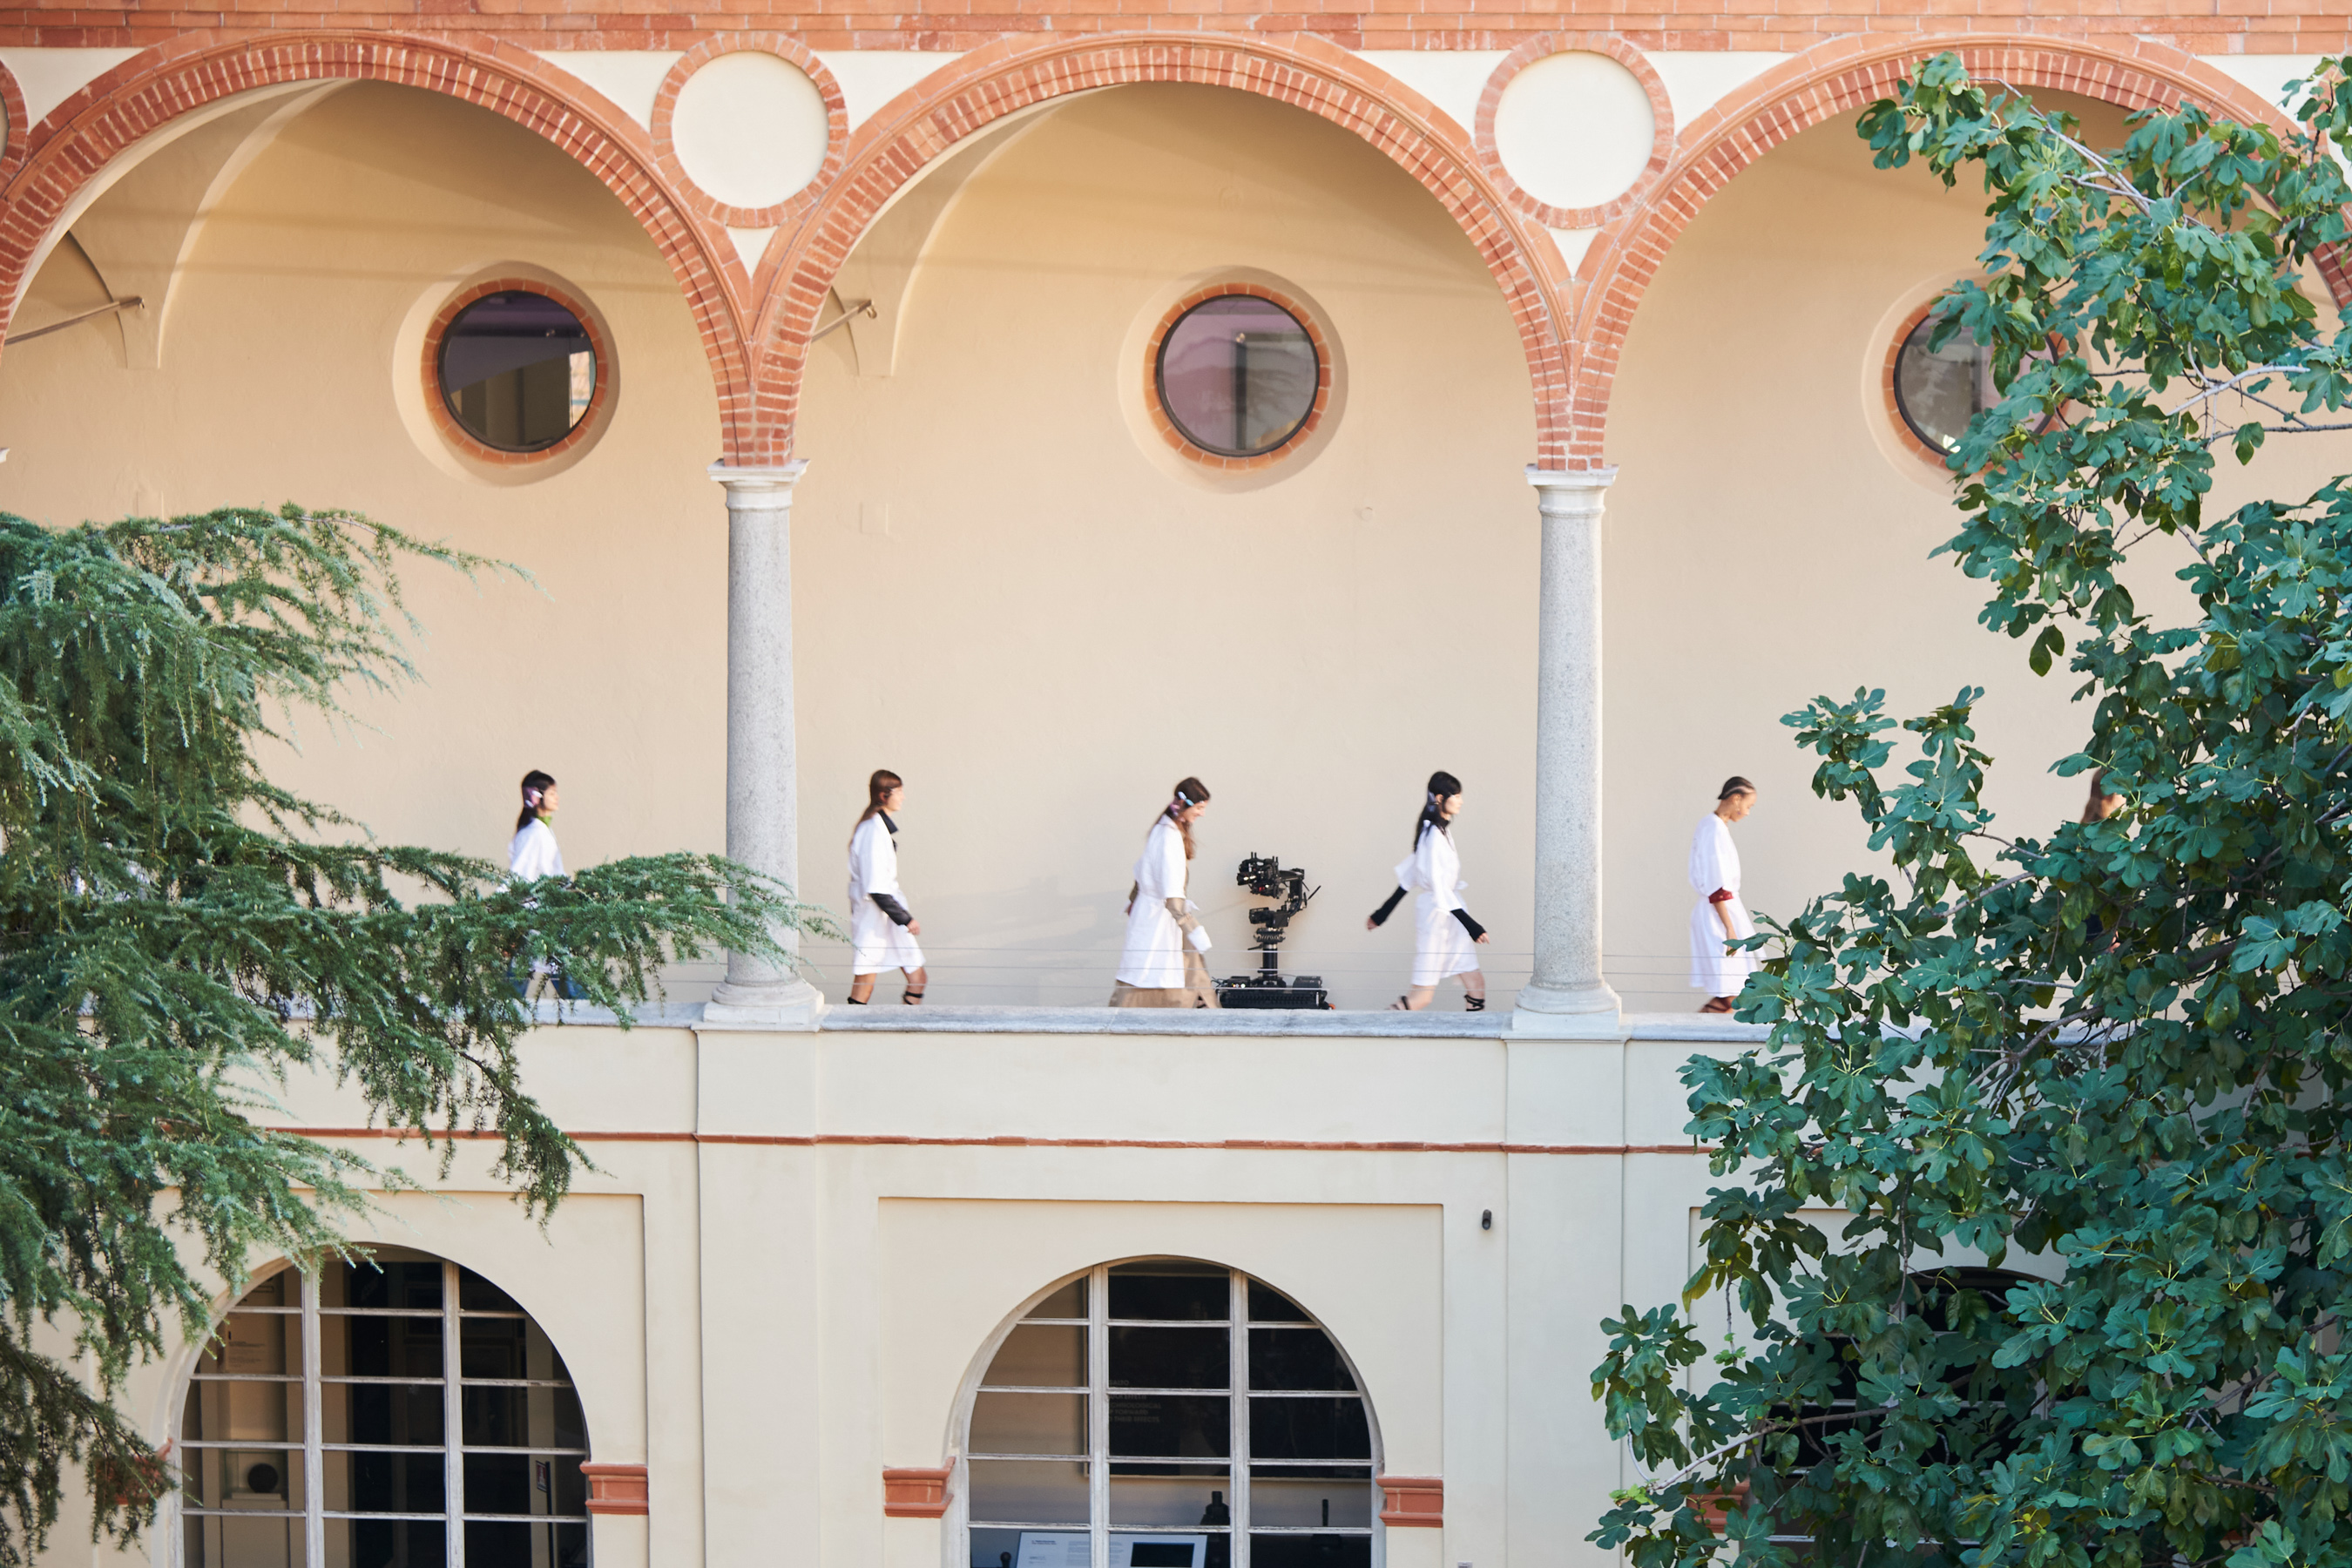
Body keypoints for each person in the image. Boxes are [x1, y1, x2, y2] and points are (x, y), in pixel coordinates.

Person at [1366, 771, 1490, 1010]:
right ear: (1441, 798)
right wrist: (1472, 926)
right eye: (1457, 796)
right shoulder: (1432, 835)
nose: (1461, 801)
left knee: (1476, 984)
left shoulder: (1440, 832)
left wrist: (1381, 914)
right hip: (1436, 917)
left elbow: (1410, 878)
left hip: (1450, 915)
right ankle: (1376, 1032)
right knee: (1421, 997)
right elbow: (1430, 884)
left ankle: (1473, 1042)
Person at [1112, 778, 1219, 1008]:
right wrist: (1194, 929)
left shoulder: (1163, 830)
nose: (1202, 814)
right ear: (1185, 804)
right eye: (1199, 808)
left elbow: (1141, 875)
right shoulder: (1169, 836)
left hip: (1155, 916)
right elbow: (1172, 897)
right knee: (1169, 977)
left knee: (1180, 974)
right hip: (1163, 920)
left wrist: (1134, 902)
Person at [846, 769, 926, 1005]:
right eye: (898, 792)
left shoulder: (878, 828)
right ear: (883, 795)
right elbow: (876, 886)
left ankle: (906, 1035)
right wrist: (905, 918)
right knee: (864, 987)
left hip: (888, 916)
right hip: (875, 919)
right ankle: (850, 1037)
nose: (903, 797)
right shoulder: (871, 831)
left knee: (918, 978)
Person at [508, 769, 583, 999]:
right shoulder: (536, 834)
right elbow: (519, 876)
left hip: (544, 918)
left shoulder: (540, 830)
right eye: (552, 793)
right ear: (538, 796)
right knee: (564, 980)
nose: (557, 797)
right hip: (537, 918)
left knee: (557, 974)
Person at [1689, 776, 1758, 1013]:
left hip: (1723, 912)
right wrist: (1730, 929)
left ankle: (1694, 1037)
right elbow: (1716, 885)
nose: (1748, 813)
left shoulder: (1716, 827)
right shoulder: (1713, 829)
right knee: (1732, 993)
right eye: (1748, 806)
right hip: (1718, 915)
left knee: (1730, 994)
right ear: (1736, 798)